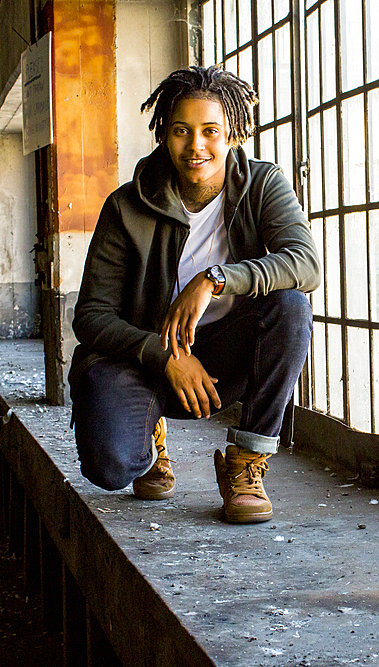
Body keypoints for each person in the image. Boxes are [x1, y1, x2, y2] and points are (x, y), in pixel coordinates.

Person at [69, 65, 319, 524]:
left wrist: (216, 279)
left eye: (210, 131)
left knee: (291, 305)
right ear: (164, 133)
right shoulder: (127, 207)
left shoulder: (263, 184)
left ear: (234, 134)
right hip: (146, 360)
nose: (196, 146)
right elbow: (90, 316)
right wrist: (164, 355)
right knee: (110, 469)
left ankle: (245, 463)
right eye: (182, 131)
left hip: (226, 357)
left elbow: (306, 264)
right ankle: (149, 437)